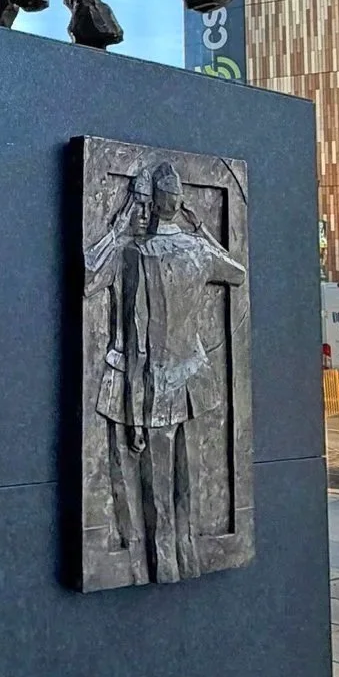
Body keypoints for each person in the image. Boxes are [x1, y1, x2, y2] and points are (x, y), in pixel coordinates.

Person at [133, 161, 246, 582]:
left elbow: (136, 333)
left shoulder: (141, 254)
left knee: (160, 480)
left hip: (159, 377)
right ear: (178, 204)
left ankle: (164, 562)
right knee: (191, 475)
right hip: (196, 373)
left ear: (155, 204)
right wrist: (201, 230)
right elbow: (236, 272)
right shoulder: (198, 250)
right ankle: (188, 553)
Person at [84, 167, 155, 585]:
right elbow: (90, 280)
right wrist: (113, 232)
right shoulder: (121, 249)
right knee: (121, 475)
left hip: (159, 380)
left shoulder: (165, 251)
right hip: (120, 372)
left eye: (149, 206)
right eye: (136, 205)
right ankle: (129, 551)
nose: (143, 214)